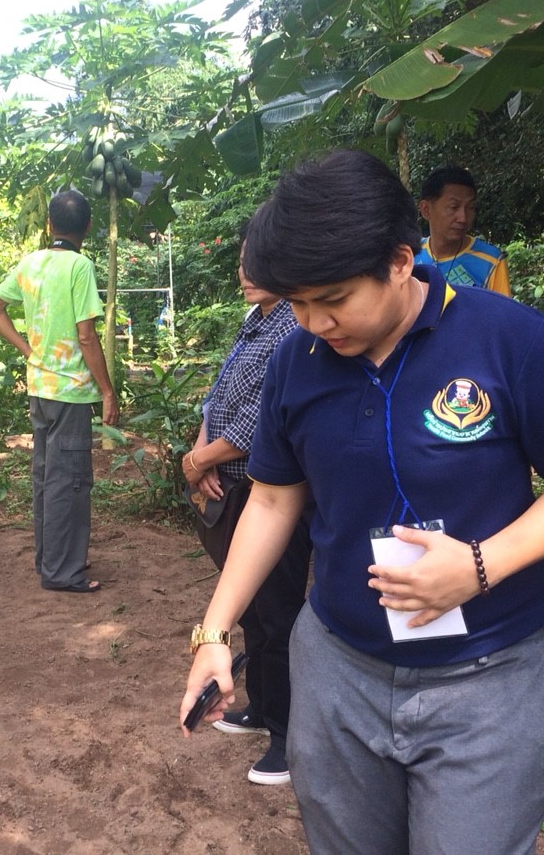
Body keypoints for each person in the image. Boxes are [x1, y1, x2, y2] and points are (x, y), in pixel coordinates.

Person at [179, 150, 544, 854]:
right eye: (297, 304)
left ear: (398, 260)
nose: (314, 323)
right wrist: (214, 632)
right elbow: (271, 501)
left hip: (488, 677)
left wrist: (479, 565)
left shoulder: (510, 340)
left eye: (333, 300)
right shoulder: (297, 360)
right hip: (339, 670)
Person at [182, 246, 312, 786]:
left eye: (259, 261)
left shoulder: (295, 327)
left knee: (278, 612)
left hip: (273, 488)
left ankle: (288, 736)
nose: (247, 273)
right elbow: (218, 398)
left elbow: (261, 421)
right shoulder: (255, 321)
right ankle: (261, 707)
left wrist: (200, 460)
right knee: (254, 612)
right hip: (233, 484)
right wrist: (200, 453)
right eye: (242, 261)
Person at [0, 189, 118, 594]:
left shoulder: (31, 262)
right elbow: (86, 337)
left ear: (49, 225)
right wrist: (107, 391)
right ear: (88, 227)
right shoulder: (80, 266)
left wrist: (28, 350)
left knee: (46, 476)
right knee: (69, 480)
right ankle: (62, 571)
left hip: (40, 388)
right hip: (69, 391)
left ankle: (50, 558)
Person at [414, 164, 511, 295]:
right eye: (453, 207)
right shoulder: (409, 256)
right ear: (426, 210)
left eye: (470, 207)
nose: (463, 218)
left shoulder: (491, 262)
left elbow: (502, 308)